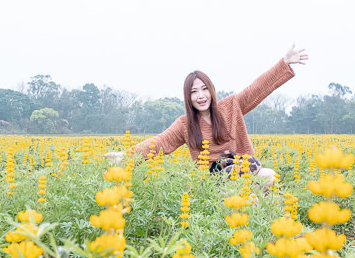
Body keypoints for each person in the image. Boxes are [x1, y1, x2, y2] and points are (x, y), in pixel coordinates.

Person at [105, 44, 309, 183]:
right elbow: (160, 142)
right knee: (251, 197)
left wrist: (284, 62)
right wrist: (126, 156)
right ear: (188, 97)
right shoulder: (185, 124)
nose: (201, 96)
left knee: (271, 176)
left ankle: (278, 233)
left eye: (204, 89)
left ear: (211, 90)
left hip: (241, 169)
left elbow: (257, 89)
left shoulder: (230, 106)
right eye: (194, 92)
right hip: (212, 182)